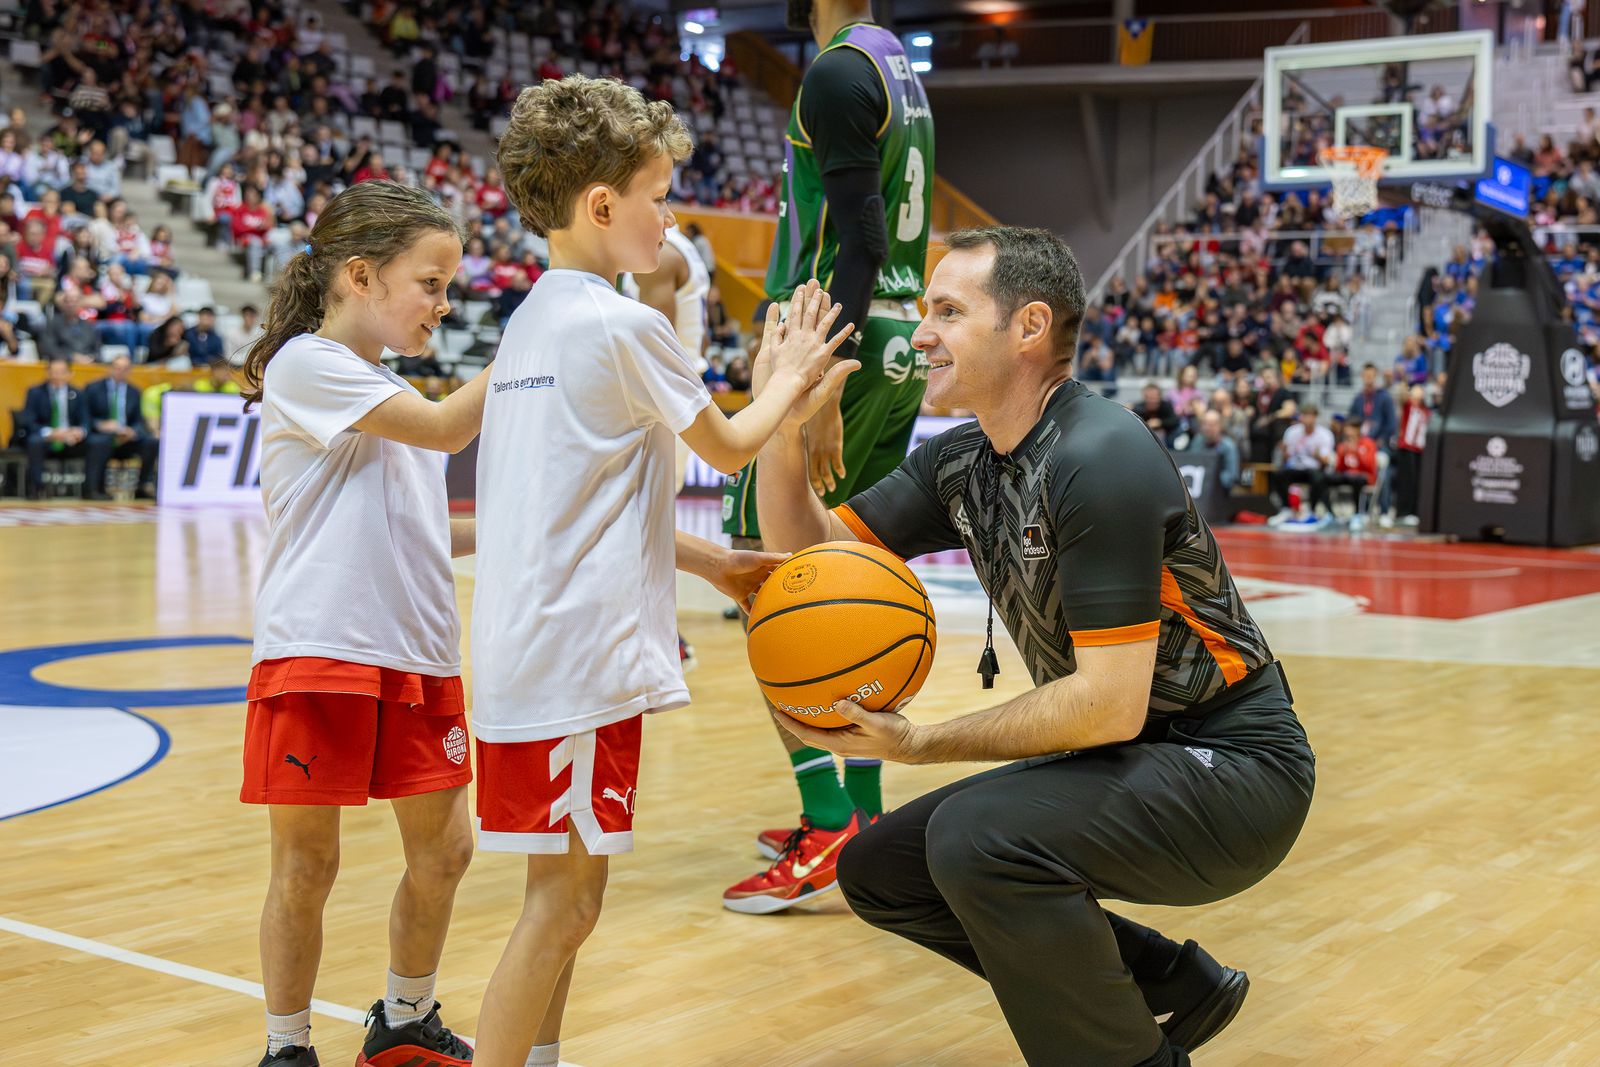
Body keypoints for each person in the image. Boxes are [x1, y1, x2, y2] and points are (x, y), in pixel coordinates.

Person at [751, 226, 1314, 1067]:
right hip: (1123, 757)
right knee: (879, 868)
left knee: (978, 837)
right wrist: (779, 424)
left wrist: (923, 742)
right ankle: (1170, 983)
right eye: (922, 310)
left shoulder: (1101, 453)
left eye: (947, 310)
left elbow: (1105, 703)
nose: (921, 333)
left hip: (1234, 767)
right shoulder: (965, 460)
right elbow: (813, 559)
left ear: (1029, 328)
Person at [469, 75, 857, 1067]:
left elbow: (575, 500)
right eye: (659, 194)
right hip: (579, 661)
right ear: (602, 206)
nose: (670, 215)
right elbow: (728, 447)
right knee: (565, 907)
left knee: (553, 901)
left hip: (525, 649)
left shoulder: (529, 325)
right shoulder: (618, 325)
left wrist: (711, 560)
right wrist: (789, 378)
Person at [239, 180, 491, 1067]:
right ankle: (286, 1048)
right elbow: (448, 429)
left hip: (419, 653)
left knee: (449, 848)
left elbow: (422, 513)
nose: (443, 303)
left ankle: (405, 1016)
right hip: (323, 650)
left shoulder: (381, 383)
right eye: (431, 282)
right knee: (308, 865)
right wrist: (544, 333)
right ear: (358, 275)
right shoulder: (306, 363)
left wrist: (506, 533)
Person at [720, 0, 937, 912]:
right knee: (849, 577)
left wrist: (818, 381)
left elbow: (863, 239)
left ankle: (827, 817)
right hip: (891, 340)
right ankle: (867, 812)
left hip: (834, 339)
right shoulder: (896, 68)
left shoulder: (837, 71)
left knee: (768, 581)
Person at [627, 222, 713, 669]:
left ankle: (657, 634)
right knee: (643, 519)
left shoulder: (657, 252)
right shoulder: (673, 246)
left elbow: (653, 347)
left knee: (638, 521)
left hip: (662, 404)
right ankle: (658, 632)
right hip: (673, 400)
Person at [82, 353, 158, 499]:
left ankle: (142, 486)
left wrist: (133, 431)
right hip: (103, 436)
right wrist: (101, 425)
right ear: (110, 368)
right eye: (117, 367)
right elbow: (86, 418)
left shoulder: (134, 391)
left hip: (126, 438)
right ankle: (94, 489)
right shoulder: (93, 388)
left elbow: (138, 421)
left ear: (129, 371)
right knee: (99, 442)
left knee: (152, 442)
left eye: (124, 368)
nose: (120, 371)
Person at [19, 357, 89, 500]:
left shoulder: (78, 393)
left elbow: (86, 420)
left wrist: (79, 431)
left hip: (71, 439)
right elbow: (29, 421)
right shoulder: (35, 392)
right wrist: (51, 433)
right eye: (53, 371)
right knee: (34, 441)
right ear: (47, 373)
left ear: (70, 374)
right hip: (46, 438)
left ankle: (92, 489)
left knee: (98, 442)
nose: (57, 375)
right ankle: (36, 489)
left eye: (61, 372)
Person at [1270, 403, 1336, 525]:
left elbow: (1327, 461)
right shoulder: (1292, 432)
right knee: (1278, 474)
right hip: (1295, 467)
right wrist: (1284, 452)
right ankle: (1287, 508)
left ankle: (1312, 509)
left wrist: (1317, 456)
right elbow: (1287, 458)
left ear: (1315, 417)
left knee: (1318, 478)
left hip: (1314, 469)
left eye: (1310, 416)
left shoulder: (1324, 434)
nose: (1307, 419)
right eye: (1305, 416)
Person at [1183, 409, 1240, 491]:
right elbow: (1190, 464)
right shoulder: (1197, 441)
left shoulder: (1229, 447)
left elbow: (1232, 476)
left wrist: (1209, 478)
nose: (1208, 428)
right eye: (1205, 424)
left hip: (1220, 492)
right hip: (1197, 489)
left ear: (1220, 426)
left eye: (1212, 425)